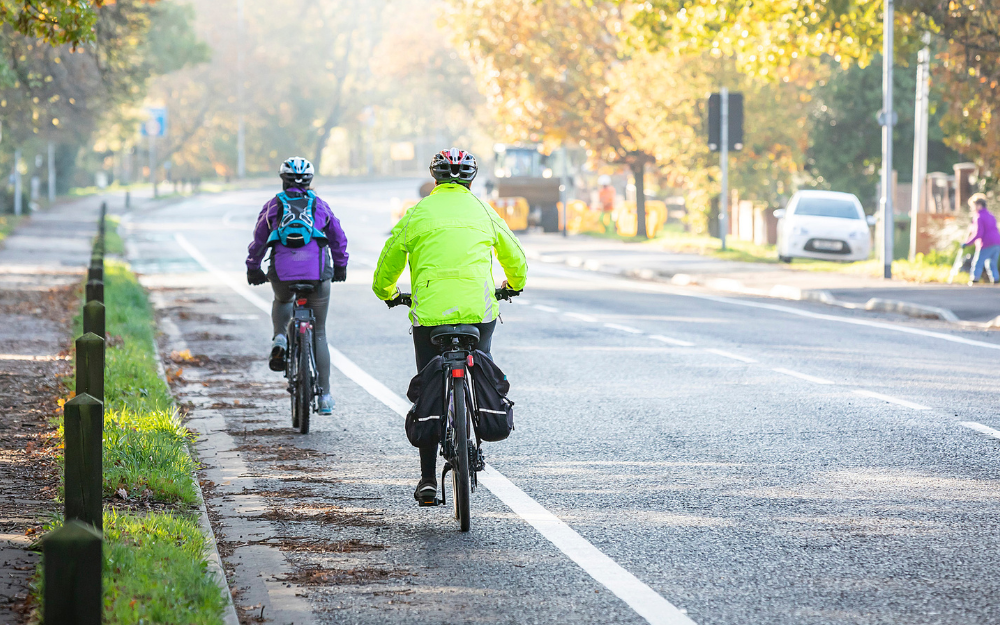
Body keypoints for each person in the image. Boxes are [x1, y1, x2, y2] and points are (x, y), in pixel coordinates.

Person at [371, 148, 528, 504]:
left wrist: (390, 293)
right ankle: (482, 400)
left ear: (435, 179)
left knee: (430, 387)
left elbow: (386, 265)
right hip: (477, 312)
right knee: (481, 359)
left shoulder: (418, 213)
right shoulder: (484, 212)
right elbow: (515, 258)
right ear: (471, 180)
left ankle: (427, 478)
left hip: (429, 315)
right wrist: (513, 285)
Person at [246, 157, 349, 414]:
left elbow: (259, 240)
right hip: (316, 274)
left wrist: (253, 268)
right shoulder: (320, 205)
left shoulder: (273, 205)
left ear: (283, 180)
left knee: (282, 300)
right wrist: (341, 265)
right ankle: (324, 397)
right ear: (310, 180)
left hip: (282, 273)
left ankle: (280, 337)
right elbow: (338, 237)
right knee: (320, 333)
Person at [964, 193, 1000, 285]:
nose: (973, 208)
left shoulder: (979, 216)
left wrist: (967, 243)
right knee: (992, 263)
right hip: (997, 242)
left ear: (979, 205)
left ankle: (974, 279)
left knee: (978, 261)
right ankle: (995, 279)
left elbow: (978, 233)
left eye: (973, 206)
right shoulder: (991, 215)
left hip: (986, 243)